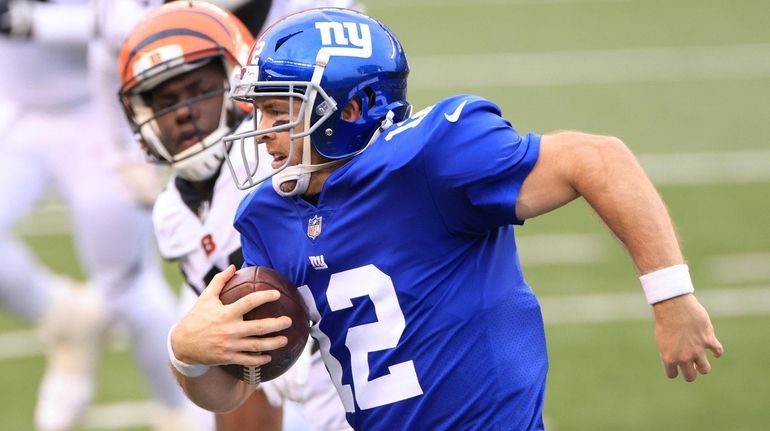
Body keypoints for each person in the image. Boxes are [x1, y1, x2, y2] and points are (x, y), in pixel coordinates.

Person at [167, 8, 725, 430]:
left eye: (278, 111)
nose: (261, 130)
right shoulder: (266, 215)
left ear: (352, 110)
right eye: (260, 110)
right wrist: (188, 356)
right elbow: (237, 390)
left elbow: (598, 159)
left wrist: (671, 295)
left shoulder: (432, 156)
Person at [117, 2, 357, 430]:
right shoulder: (171, 214)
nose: (183, 112)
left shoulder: (281, 156)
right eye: (166, 101)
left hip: (364, 370)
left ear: (234, 84)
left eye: (198, 91)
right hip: (307, 392)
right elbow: (240, 357)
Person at [0, 1, 204, 430]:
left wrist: (33, 22)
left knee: (126, 286)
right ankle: (65, 318)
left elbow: (137, 18)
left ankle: (181, 409)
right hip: (15, 109)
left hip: (99, 113)